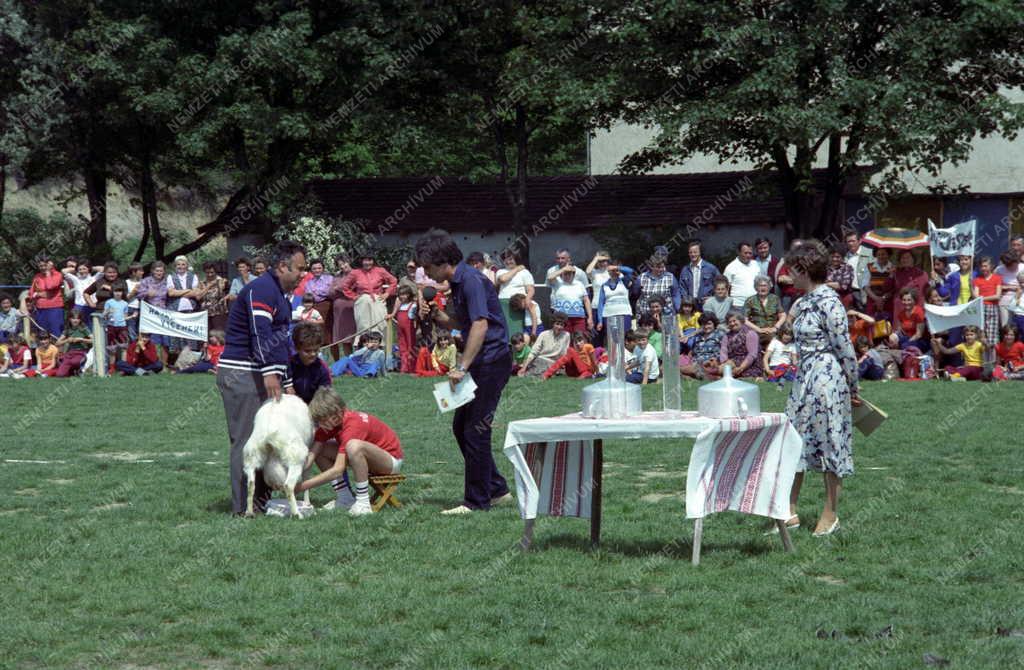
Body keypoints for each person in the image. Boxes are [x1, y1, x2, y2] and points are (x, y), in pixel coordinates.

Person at [416, 228, 513, 514]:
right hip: (481, 362)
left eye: (427, 267)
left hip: (491, 362)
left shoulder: (471, 280)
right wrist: (439, 316)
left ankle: (476, 501)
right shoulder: (458, 283)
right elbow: (465, 323)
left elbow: (481, 325)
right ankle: (496, 489)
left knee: (475, 430)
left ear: (442, 261)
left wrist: (461, 367)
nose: (425, 273)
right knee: (462, 427)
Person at [217, 239, 307, 515]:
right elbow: (260, 332)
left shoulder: (279, 294)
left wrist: (287, 380)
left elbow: (282, 342)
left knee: (270, 437)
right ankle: (242, 508)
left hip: (264, 373)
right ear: (282, 267)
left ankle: (261, 502)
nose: (302, 274)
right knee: (248, 441)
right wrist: (269, 371)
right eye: (299, 268)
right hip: (243, 373)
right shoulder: (262, 289)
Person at [783, 240, 861, 537]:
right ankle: (788, 511)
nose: (788, 275)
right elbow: (788, 333)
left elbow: (845, 348)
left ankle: (830, 514)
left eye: (793, 270)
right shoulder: (803, 302)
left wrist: (852, 386)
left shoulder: (830, 302)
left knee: (830, 443)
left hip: (827, 380)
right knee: (792, 441)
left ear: (804, 270)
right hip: (803, 379)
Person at [301, 388, 404, 516]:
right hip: (371, 459)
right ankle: (345, 498)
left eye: (323, 420)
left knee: (354, 446)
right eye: (319, 421)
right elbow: (312, 455)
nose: (321, 425)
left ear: (336, 413)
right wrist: (292, 477)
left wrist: (303, 486)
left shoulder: (353, 425)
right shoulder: (333, 423)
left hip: (391, 461)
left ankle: (363, 503)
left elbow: (338, 470)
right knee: (322, 449)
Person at [339, 254, 397, 344]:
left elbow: (393, 281)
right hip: (362, 302)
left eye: (369, 260)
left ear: (373, 261)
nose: (367, 263)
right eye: (365, 260)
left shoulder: (380, 270)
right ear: (361, 261)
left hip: (378, 300)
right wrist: (354, 296)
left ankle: (381, 347)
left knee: (381, 324)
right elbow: (345, 286)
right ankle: (364, 347)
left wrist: (387, 293)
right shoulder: (355, 273)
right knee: (364, 326)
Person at [166, 255, 204, 354]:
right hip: (175, 308)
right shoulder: (171, 277)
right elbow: (171, 293)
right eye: (178, 264)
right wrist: (188, 290)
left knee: (189, 332)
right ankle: (176, 356)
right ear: (175, 266)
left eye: (183, 264)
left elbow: (196, 293)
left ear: (187, 265)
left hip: (191, 308)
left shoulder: (193, 276)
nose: (181, 266)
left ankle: (191, 356)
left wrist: (178, 292)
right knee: (176, 333)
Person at [137, 261, 170, 368]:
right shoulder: (146, 281)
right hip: (150, 314)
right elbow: (138, 295)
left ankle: (164, 365)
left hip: (164, 314)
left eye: (161, 271)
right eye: (157, 271)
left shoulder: (167, 281)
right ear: (152, 271)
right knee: (154, 340)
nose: (159, 273)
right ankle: (155, 363)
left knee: (165, 339)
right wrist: (147, 293)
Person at [495, 250, 535, 338]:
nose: (508, 261)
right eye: (505, 259)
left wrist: (527, 299)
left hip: (519, 303)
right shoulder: (500, 271)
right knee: (505, 329)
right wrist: (517, 269)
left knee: (518, 329)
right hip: (503, 304)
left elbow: (530, 289)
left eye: (510, 259)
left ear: (516, 259)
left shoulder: (525, 272)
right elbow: (503, 279)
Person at [517, 312, 570, 377]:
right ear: (553, 324)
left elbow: (565, 353)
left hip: (556, 363)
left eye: (561, 325)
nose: (559, 327)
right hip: (542, 360)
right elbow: (533, 352)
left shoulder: (566, 335)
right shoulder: (543, 334)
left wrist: (562, 364)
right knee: (539, 369)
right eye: (557, 324)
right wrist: (524, 368)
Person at [973, 256, 1002, 363]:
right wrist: (978, 296)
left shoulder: (997, 278)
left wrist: (982, 298)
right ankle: (984, 362)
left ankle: (993, 363)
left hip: (992, 308)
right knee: (982, 335)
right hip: (981, 308)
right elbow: (976, 296)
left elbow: (997, 296)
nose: (983, 268)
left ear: (991, 266)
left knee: (992, 336)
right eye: (982, 266)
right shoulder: (977, 280)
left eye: (986, 266)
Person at [635, 250, 680, 318]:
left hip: (666, 314)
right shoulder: (641, 278)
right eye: (658, 267)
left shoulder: (670, 277)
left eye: (662, 267)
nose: (661, 269)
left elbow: (676, 295)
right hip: (646, 315)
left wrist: (678, 309)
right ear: (651, 266)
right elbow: (636, 293)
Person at [28, 256, 66, 338]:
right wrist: (38, 294)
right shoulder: (37, 276)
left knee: (56, 332)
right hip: (40, 309)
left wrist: (48, 273)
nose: (42, 268)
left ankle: (57, 346)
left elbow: (50, 286)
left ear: (50, 265)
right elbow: (31, 293)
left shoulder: (57, 275)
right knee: (42, 333)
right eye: (40, 266)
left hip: (54, 308)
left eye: (45, 265)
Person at [593, 261, 634, 336]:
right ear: (608, 272)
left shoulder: (624, 281)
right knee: (612, 339)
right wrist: (600, 321)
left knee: (625, 336)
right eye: (612, 271)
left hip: (624, 313)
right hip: (608, 315)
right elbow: (601, 304)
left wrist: (617, 267)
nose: (614, 272)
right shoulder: (604, 285)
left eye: (616, 271)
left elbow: (630, 271)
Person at [328, 254, 357, 358]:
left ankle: (359, 361)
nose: (342, 266)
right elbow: (330, 293)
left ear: (349, 262)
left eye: (344, 263)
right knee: (345, 339)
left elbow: (353, 288)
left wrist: (338, 288)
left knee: (356, 337)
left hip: (353, 310)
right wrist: (340, 289)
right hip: (340, 313)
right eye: (339, 265)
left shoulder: (356, 274)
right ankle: (349, 360)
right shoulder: (337, 277)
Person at [549, 265, 593, 334]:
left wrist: (590, 317)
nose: (567, 276)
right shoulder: (557, 283)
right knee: (564, 338)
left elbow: (586, 300)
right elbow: (550, 277)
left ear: (573, 275)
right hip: (562, 318)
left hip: (579, 318)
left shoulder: (580, 284)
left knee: (580, 337)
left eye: (569, 274)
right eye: (565, 274)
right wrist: (563, 269)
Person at [719, 311, 763, 379]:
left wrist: (741, 368)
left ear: (741, 320)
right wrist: (724, 362)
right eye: (729, 322)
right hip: (731, 363)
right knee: (723, 368)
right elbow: (723, 352)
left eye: (734, 321)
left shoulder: (750, 333)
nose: (732, 323)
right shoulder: (726, 336)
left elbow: (752, 354)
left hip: (748, 364)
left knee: (724, 369)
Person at [744, 275, 785, 345]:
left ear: (769, 287)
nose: (763, 288)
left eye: (765, 285)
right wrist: (759, 329)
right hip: (756, 331)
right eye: (760, 286)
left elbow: (783, 315)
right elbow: (744, 319)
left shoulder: (775, 299)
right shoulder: (750, 300)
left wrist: (776, 327)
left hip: (772, 331)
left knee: (776, 339)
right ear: (756, 287)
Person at [53, 310, 92, 377]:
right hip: (70, 353)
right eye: (73, 318)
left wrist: (81, 339)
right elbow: (57, 343)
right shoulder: (67, 329)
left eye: (77, 318)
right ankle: (72, 371)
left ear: (80, 320)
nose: (75, 320)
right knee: (60, 374)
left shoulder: (84, 328)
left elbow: (94, 340)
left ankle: (78, 368)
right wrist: (67, 340)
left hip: (81, 352)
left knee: (75, 361)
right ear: (70, 319)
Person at [890, 250, 928, 318]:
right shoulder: (896, 273)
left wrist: (919, 309)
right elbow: (887, 288)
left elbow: (923, 293)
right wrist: (891, 275)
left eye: (908, 257)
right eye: (903, 258)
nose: (905, 260)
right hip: (899, 308)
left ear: (913, 259)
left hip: (914, 308)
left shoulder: (921, 274)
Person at [389, 285, 418, 373]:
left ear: (409, 295)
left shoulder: (413, 305)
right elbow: (394, 314)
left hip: (410, 330)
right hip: (400, 330)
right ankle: (404, 367)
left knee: (410, 347)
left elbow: (416, 318)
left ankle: (412, 367)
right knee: (402, 347)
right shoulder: (400, 305)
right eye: (400, 295)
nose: (402, 297)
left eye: (404, 294)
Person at [722, 242, 759, 309]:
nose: (748, 255)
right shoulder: (731, 267)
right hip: (737, 305)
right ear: (739, 252)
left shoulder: (756, 264)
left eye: (750, 253)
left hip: (755, 305)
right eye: (745, 253)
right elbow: (725, 288)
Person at [197, 261, 230, 332]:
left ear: (215, 271)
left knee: (219, 334)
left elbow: (229, 294)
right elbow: (198, 297)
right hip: (205, 314)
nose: (210, 275)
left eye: (212, 272)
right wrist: (209, 286)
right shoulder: (201, 283)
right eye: (207, 272)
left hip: (219, 313)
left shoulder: (222, 281)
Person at [893, 287, 929, 352]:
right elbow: (899, 330)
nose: (906, 302)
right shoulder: (901, 314)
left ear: (914, 300)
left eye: (909, 300)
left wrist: (907, 342)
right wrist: (893, 337)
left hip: (920, 340)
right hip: (907, 338)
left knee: (904, 345)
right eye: (904, 300)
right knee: (893, 340)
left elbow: (919, 334)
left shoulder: (919, 312)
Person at [844, 231, 873, 306]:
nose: (851, 243)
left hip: (868, 292)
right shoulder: (845, 257)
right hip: (851, 293)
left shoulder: (870, 253)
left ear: (860, 241)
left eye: (853, 241)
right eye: (848, 241)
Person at [994, 251, 1020, 327]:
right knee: (1006, 326)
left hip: (1021, 301)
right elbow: (992, 284)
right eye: (1009, 265)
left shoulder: (1022, 267)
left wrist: (1019, 288)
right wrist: (1007, 287)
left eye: (1014, 264)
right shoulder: (999, 269)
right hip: (1004, 301)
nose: (1013, 267)